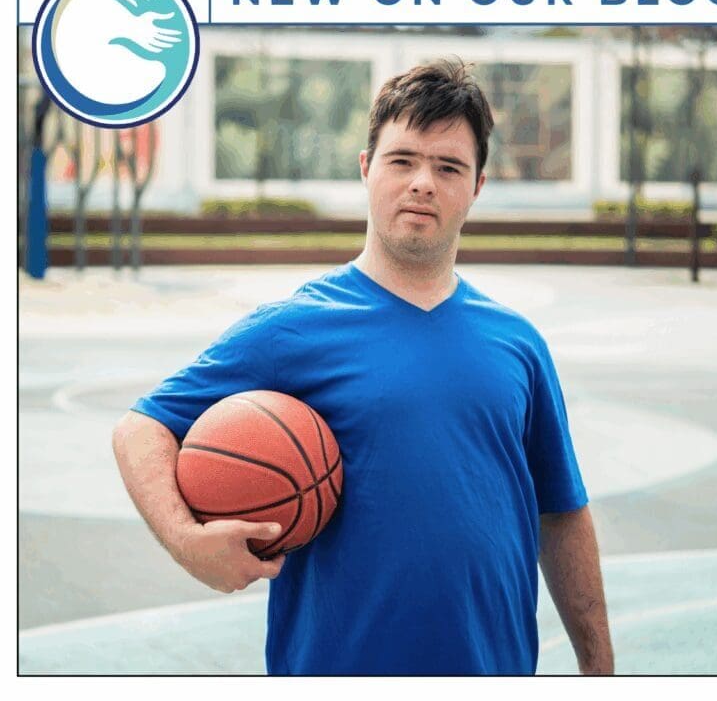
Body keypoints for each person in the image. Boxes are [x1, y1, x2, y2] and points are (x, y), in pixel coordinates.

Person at [112, 59, 614, 676]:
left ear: (476, 186)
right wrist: (187, 542)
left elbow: (561, 513)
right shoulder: (293, 328)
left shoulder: (518, 343)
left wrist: (599, 668)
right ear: (366, 168)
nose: (422, 182)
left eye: (448, 166)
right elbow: (141, 428)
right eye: (402, 160)